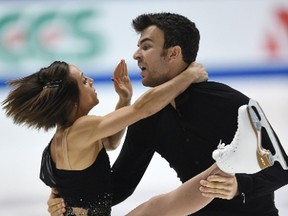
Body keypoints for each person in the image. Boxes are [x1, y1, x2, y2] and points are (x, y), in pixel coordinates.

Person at [48, 12, 288, 216]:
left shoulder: (228, 102)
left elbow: (281, 169)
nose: (136, 54)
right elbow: (119, 185)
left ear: (173, 53)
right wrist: (69, 198)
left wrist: (239, 187)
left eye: (146, 46)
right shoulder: (149, 118)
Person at [3, 58, 236, 216]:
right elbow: (142, 110)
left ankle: (229, 163)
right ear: (71, 99)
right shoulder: (82, 128)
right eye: (84, 80)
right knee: (160, 207)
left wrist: (123, 99)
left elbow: (110, 143)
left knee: (156, 208)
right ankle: (231, 161)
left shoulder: (64, 137)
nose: (91, 81)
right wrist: (188, 75)